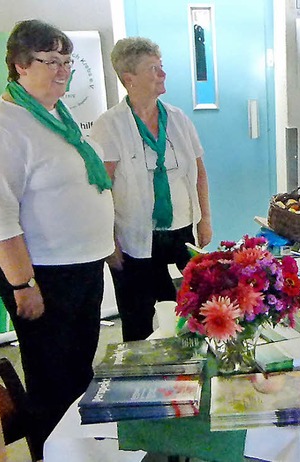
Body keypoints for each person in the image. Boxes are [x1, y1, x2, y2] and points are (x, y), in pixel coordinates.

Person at [0, 19, 114, 457]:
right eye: (50, 61)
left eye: (67, 61)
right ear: (18, 65)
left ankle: (80, 449)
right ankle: (51, 452)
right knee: (52, 378)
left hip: (78, 264)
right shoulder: (3, 126)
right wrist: (22, 284)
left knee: (78, 372)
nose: (62, 71)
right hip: (40, 273)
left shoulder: (55, 114)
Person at [91, 37, 212, 342]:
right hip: (134, 236)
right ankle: (142, 381)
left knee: (197, 306)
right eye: (153, 68)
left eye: (161, 67)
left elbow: (199, 172)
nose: (162, 74)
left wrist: (204, 219)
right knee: (139, 317)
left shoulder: (178, 119)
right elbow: (100, 191)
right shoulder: (110, 124)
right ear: (129, 78)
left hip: (181, 230)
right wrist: (110, 244)